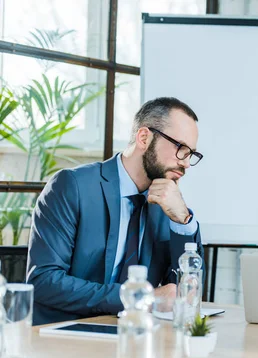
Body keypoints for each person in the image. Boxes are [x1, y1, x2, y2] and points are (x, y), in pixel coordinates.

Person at [27, 97, 204, 325]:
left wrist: (182, 220)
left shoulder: (167, 202)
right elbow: (43, 281)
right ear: (144, 138)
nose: (186, 163)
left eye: (191, 154)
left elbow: (186, 290)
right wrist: (139, 298)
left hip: (134, 335)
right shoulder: (73, 186)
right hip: (65, 334)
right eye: (181, 148)